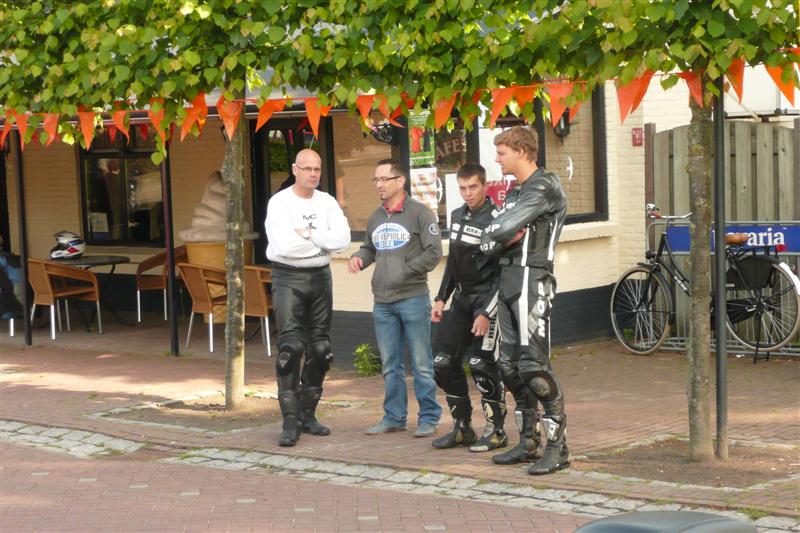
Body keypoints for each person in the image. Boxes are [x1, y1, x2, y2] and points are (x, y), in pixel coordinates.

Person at [479, 126, 570, 475]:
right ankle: (529, 440)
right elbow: (488, 241)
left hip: (533, 279)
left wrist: (501, 233)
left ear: (521, 151)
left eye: (501, 153)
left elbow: (500, 230)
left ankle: (559, 448)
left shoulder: (544, 186)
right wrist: (500, 234)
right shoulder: (515, 192)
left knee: (534, 368)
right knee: (509, 366)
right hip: (507, 279)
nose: (497, 159)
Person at [348, 158, 443, 437]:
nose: (378, 184)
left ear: (400, 181)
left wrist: (406, 270)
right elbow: (370, 248)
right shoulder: (376, 216)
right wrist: (359, 257)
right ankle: (394, 417)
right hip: (383, 303)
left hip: (413, 298)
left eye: (384, 179)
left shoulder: (420, 213)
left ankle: (429, 418)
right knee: (391, 365)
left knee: (421, 363)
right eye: (375, 180)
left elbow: (434, 252)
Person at [265, 149, 351, 447]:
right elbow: (284, 246)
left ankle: (307, 414)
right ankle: (289, 420)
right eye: (307, 168)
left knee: (321, 349)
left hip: (320, 277)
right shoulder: (280, 203)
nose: (313, 174)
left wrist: (307, 233)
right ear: (295, 170)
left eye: (317, 168)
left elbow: (342, 239)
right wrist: (323, 239)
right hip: (288, 277)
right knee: (290, 349)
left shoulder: (327, 202)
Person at [430, 163, 508, 452]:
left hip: (487, 302)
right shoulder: (457, 215)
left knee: (480, 364)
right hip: (461, 301)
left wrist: (486, 312)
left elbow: (503, 272)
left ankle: (497, 431)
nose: (468, 193)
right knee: (442, 362)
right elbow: (453, 262)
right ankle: (462, 428)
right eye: (462, 188)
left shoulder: (498, 220)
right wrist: (441, 298)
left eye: (473, 187)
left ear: (485, 186)